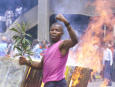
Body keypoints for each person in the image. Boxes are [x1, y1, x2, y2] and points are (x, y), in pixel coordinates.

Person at [19, 14, 78, 87]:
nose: (54, 32)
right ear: (49, 32)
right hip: (49, 83)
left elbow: (75, 40)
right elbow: (40, 65)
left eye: (57, 30)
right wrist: (26, 62)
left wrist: (66, 22)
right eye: (52, 30)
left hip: (58, 82)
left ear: (62, 33)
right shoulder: (47, 49)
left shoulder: (62, 44)